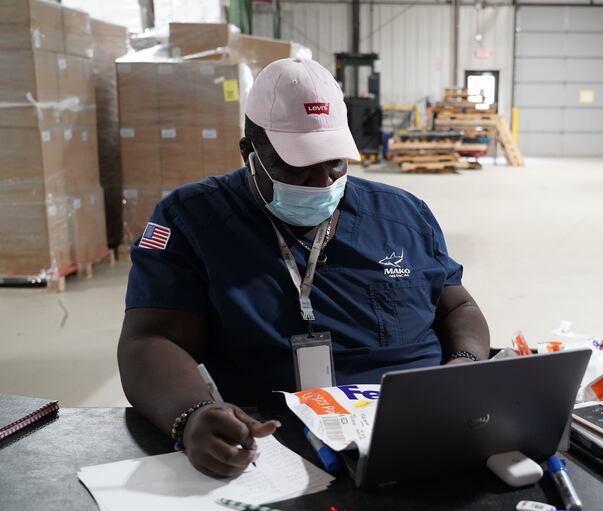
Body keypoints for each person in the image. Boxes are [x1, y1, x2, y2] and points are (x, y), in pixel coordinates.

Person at [117, 57, 490, 478]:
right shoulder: (193, 220)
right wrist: (192, 415)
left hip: (420, 425)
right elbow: (150, 339)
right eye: (297, 166)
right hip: (272, 435)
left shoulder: (402, 215)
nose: (322, 182)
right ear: (249, 153)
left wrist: (465, 369)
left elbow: (458, 308)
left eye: (335, 163)